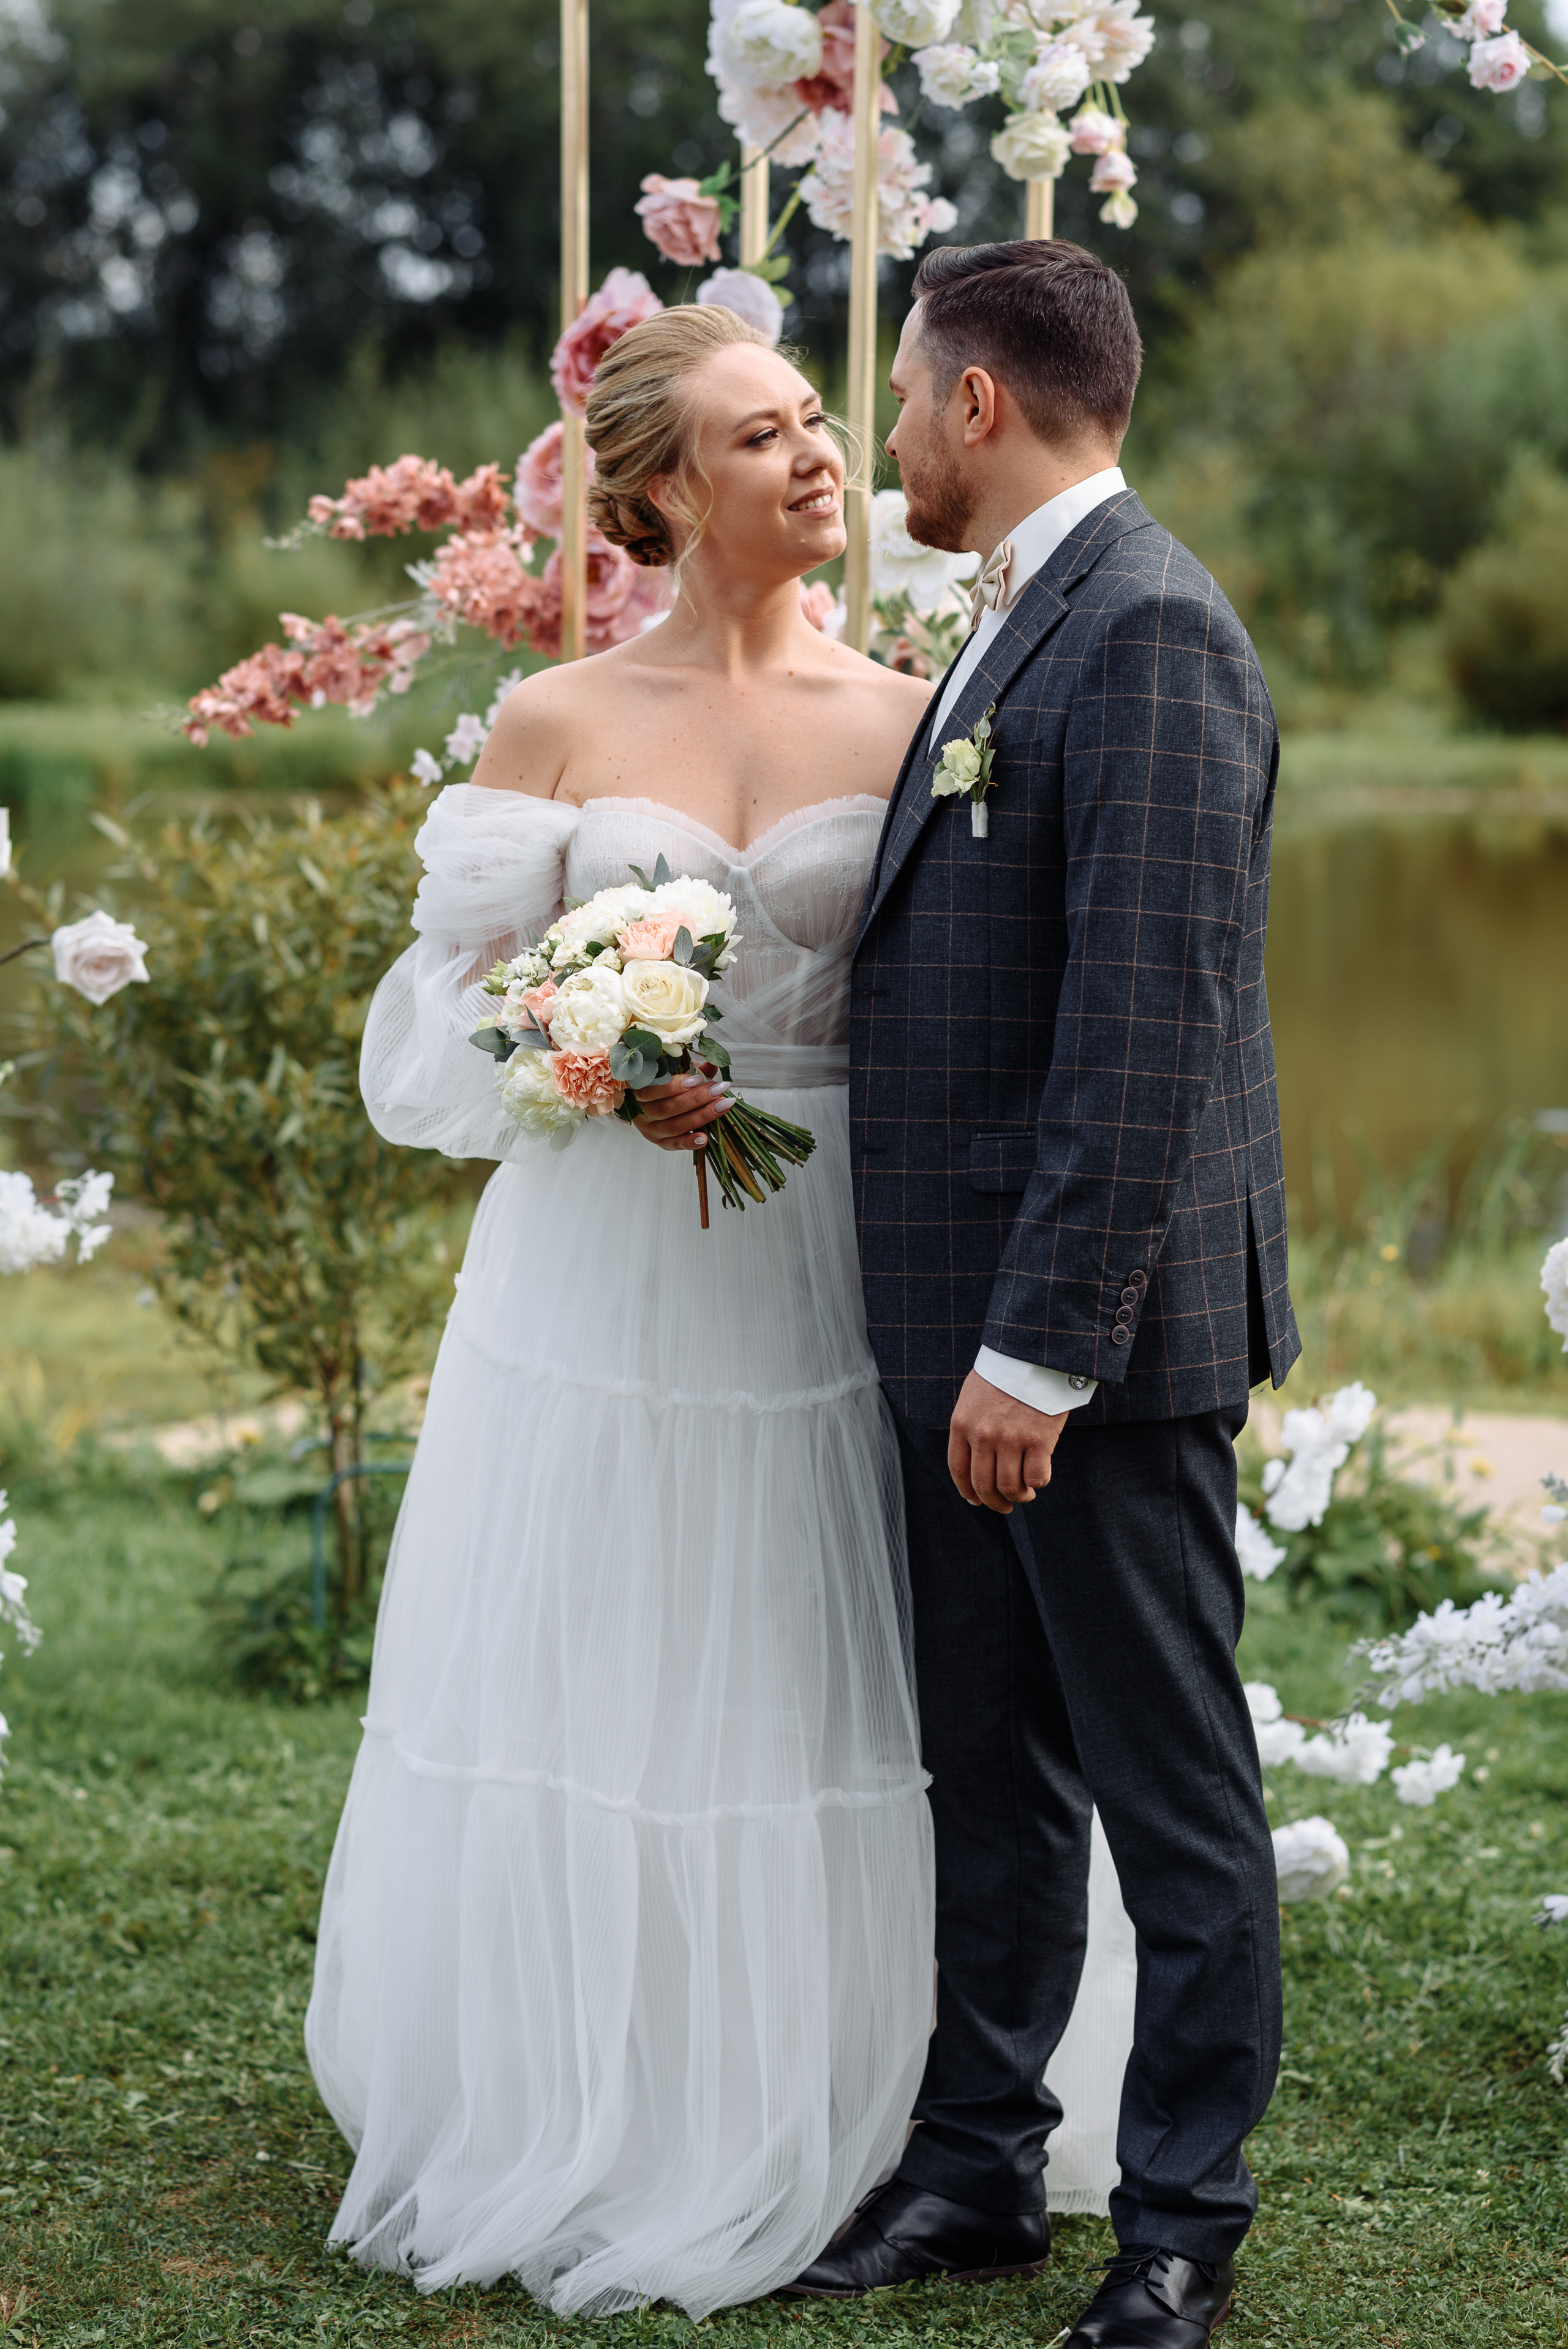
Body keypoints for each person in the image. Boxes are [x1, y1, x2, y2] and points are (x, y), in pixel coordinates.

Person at [303, 303, 941, 2318]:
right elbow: (440, 1023)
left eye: (825, 421)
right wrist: (579, 1057)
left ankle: (851, 2077)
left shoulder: (918, 709)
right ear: (667, 490)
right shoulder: (555, 723)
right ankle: (597, 2077)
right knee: (602, 1648)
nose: (820, 457)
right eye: (766, 437)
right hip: (601, 1261)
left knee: (806, 1645)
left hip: (832, 1247)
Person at [790, 241, 1300, 2349]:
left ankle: (1180, 2217)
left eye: (903, 399)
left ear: (980, 404)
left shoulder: (1154, 630)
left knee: (1170, 1786)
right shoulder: (1026, 620)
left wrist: (1039, 1353)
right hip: (963, 1324)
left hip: (1087, 1345)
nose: (891, 436)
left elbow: (1142, 1034)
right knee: (985, 1771)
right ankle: (980, 2165)